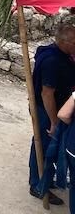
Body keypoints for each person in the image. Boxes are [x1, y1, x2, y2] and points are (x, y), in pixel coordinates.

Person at [31, 18, 75, 204]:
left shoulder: (63, 55)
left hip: (58, 109)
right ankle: (38, 184)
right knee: (44, 145)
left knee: (52, 145)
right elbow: (47, 93)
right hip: (48, 111)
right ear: (64, 41)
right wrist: (53, 120)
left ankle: (46, 181)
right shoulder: (51, 59)